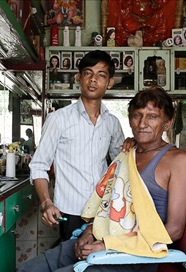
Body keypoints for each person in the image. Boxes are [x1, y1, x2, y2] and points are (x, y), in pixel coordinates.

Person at [14, 87, 186, 272]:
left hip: (132, 256)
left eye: (152, 117)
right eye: (137, 115)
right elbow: (107, 206)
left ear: (167, 122)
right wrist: (89, 233)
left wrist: (107, 245)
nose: (143, 123)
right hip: (100, 241)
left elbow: (173, 230)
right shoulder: (128, 155)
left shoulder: (178, 162)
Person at [29, 50, 126, 241]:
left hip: (103, 210)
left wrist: (131, 145)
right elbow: (39, 165)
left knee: (99, 265)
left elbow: (121, 164)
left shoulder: (112, 123)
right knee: (72, 264)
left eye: (101, 75)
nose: (93, 80)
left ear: (109, 83)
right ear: (78, 78)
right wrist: (47, 203)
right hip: (71, 210)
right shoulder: (58, 119)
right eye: (88, 73)